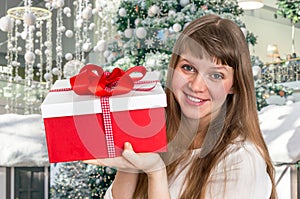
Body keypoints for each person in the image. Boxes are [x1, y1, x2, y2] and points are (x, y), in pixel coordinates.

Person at [84, 14, 277, 199]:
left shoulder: (242, 160)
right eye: (188, 68)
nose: (196, 86)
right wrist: (129, 166)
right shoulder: (157, 134)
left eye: (216, 75)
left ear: (234, 85)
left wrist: (156, 172)